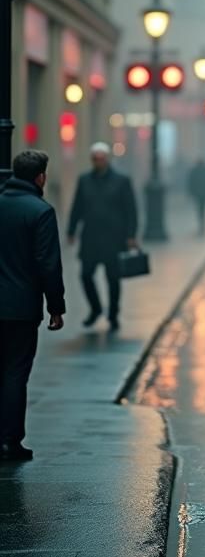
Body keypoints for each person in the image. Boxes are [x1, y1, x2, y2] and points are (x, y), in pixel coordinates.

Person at [0, 150, 65, 461]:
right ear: (40, 177)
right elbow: (48, 264)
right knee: (15, 372)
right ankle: (9, 440)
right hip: (21, 308)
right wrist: (56, 307)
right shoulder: (40, 211)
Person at [68, 143, 138, 330]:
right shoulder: (84, 180)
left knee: (113, 278)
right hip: (90, 237)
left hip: (113, 238)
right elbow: (77, 206)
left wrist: (131, 235)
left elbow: (131, 210)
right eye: (95, 158)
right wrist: (71, 231)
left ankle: (113, 314)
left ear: (107, 159)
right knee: (85, 275)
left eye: (101, 158)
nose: (98, 162)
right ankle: (96, 308)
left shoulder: (122, 180)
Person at [186, 157, 205, 235]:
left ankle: (201, 224)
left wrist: (191, 192)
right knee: (203, 209)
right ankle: (203, 225)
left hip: (198, 194)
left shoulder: (194, 171)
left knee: (200, 209)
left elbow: (191, 182)